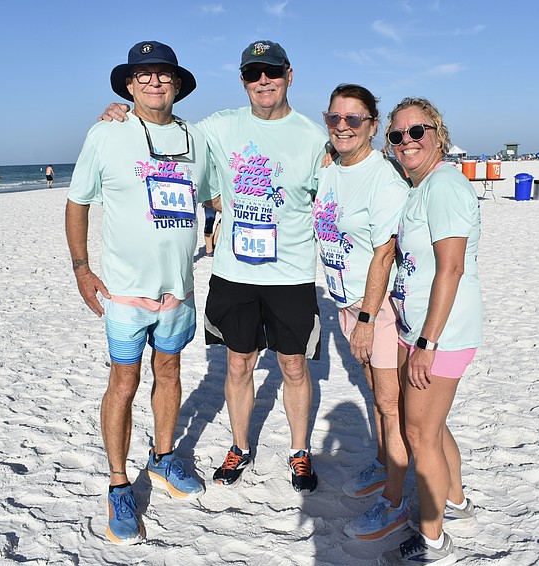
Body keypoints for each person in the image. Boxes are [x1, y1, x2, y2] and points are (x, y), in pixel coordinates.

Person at [99, 39, 328, 494]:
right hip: (234, 273)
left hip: (292, 274)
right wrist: (121, 112)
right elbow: (165, 130)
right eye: (253, 73)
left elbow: (331, 201)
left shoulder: (313, 136)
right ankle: (240, 446)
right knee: (238, 365)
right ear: (243, 81)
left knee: (294, 366)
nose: (264, 80)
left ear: (289, 75)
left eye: (272, 71)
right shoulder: (217, 128)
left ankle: (299, 451)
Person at [65, 40, 211, 545]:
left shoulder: (196, 137)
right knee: (123, 382)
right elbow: (78, 201)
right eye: (143, 75)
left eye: (163, 74)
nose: (154, 82)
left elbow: (218, 193)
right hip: (125, 292)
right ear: (129, 85)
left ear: (178, 84)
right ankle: (118, 484)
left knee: (169, 370)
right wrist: (81, 268)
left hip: (179, 290)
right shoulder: (107, 132)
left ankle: (163, 459)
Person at [379, 98, 482, 566]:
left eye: (417, 131)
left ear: (438, 134)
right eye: (397, 135)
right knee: (431, 426)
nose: (407, 141)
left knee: (419, 434)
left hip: (440, 334)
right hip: (416, 328)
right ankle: (455, 501)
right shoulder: (418, 186)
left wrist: (427, 343)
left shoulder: (444, 185)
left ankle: (433, 540)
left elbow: (451, 268)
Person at [312, 84, 410, 540]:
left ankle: (395, 503)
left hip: (377, 307)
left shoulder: (382, 178)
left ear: (372, 125)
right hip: (346, 302)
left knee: (390, 404)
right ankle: (383, 463)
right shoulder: (330, 166)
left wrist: (367, 320)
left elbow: (384, 253)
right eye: (334, 118)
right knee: (374, 391)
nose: (343, 126)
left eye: (354, 119)